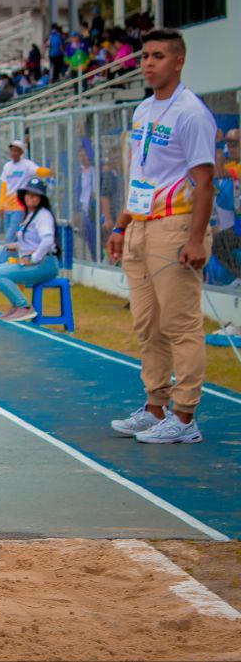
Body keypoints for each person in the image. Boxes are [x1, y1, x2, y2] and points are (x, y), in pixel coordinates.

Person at [107, 29, 216, 445]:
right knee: (148, 324)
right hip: (139, 225)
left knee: (179, 323)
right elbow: (141, 176)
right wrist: (121, 225)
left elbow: (205, 183)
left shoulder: (191, 113)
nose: (148, 63)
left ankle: (185, 417)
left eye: (158, 56)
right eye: (145, 56)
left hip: (175, 225)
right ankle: (155, 406)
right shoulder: (142, 111)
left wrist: (195, 238)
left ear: (178, 61)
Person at [0, 178, 60, 322]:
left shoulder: (43, 215)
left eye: (35, 195)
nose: (30, 197)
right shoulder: (31, 214)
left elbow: (47, 240)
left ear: (41, 198)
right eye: (28, 194)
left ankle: (24, 307)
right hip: (37, 262)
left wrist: (34, 259)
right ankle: (17, 306)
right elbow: (34, 240)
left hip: (45, 264)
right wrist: (18, 245)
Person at [0, 140, 39, 239]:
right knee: (12, 235)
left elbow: (38, 171)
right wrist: (1, 206)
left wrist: (49, 172)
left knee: (10, 236)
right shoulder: (7, 166)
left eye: (16, 151)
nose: (13, 153)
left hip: (19, 206)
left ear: (21, 152)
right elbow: (3, 188)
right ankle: (14, 250)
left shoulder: (27, 165)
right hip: (8, 206)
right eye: (12, 150)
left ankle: (6, 250)